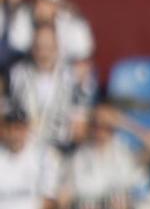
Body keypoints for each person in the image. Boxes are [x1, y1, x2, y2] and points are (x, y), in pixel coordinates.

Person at [62, 104, 150, 209]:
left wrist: (123, 122)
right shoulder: (78, 158)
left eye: (107, 127)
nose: (101, 132)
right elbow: (65, 195)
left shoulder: (124, 155)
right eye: (96, 125)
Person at [10, 20, 93, 151]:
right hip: (24, 149)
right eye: (39, 47)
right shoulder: (17, 75)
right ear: (32, 48)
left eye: (48, 47)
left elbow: (80, 128)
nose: (43, 53)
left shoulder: (74, 77)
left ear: (57, 47)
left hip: (61, 148)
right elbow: (11, 115)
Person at [5, 0, 94, 67]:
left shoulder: (73, 21)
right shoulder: (23, 15)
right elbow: (16, 48)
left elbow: (83, 53)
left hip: (65, 72)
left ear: (57, 3)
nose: (41, 7)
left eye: (47, 2)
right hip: (29, 70)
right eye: (38, 1)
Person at [0, 105, 56, 209]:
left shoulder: (42, 156)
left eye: (19, 128)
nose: (14, 134)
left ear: (26, 130)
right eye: (10, 128)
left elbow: (49, 200)